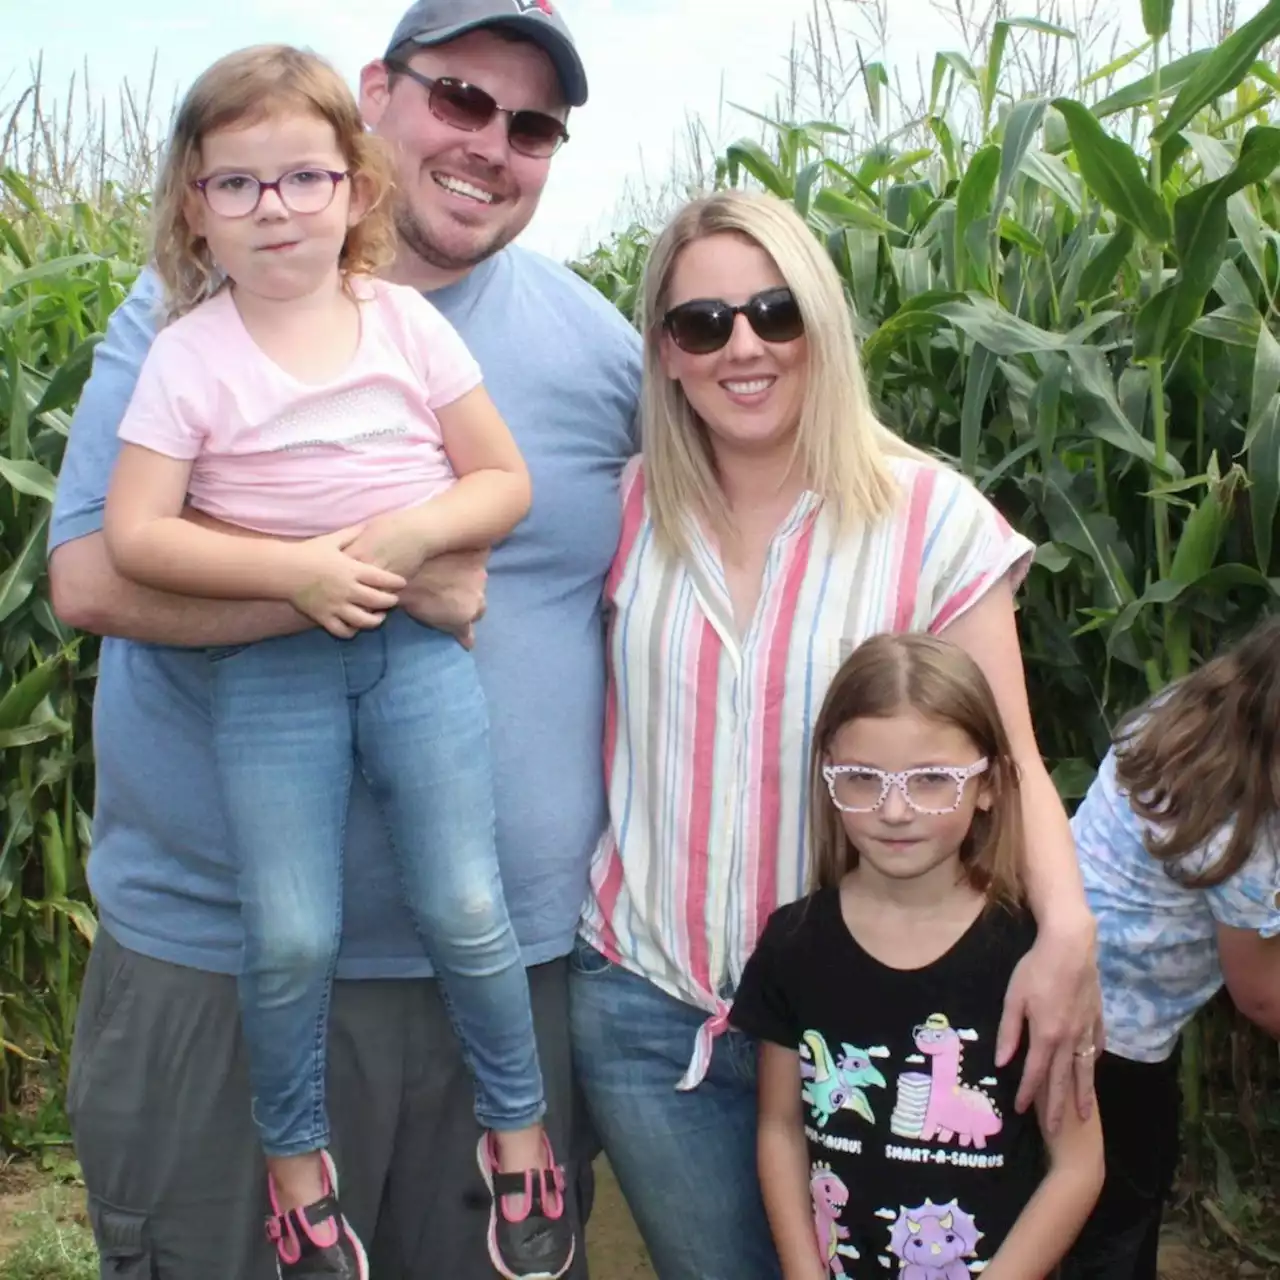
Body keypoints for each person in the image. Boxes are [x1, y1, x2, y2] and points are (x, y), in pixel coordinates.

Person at [47, 2, 642, 1276]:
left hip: (511, 965)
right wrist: (367, 583)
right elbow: (91, 578)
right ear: (378, 97)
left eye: (531, 123)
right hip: (220, 969)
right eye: (461, 99)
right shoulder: (181, 323)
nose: (491, 142)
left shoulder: (601, 346)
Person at [569, 189, 1103, 1280]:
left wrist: (1066, 933)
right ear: (665, 354)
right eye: (700, 324)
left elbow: (1009, 756)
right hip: (645, 1002)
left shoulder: (929, 517)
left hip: (869, 1017)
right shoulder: (617, 514)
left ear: (821, 323)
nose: (743, 346)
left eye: (774, 311)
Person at [730, 631, 1104, 1279]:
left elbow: (1076, 1166)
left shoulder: (1030, 958)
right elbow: (780, 1127)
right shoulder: (793, 945)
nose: (895, 810)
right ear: (828, 778)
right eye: (862, 779)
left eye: (933, 780)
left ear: (989, 785)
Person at [1061, 615, 1280, 1280]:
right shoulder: (1233, 831)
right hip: (1109, 1035)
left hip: (1049, 978)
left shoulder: (1188, 715)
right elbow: (1263, 995)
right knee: (1115, 1217)